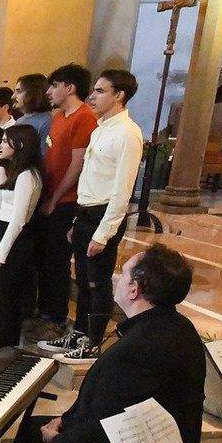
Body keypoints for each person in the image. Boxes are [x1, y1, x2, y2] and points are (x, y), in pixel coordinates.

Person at [0, 244, 206, 443]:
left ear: (135, 290)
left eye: (123, 274)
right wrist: (65, 420)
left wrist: (59, 440)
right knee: (28, 432)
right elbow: (110, 403)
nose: (118, 279)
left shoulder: (142, 346)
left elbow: (105, 427)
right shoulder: (174, 326)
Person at [59, 69, 143, 359]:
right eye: (93, 90)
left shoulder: (128, 134)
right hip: (85, 212)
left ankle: (93, 343)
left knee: (97, 281)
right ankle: (79, 334)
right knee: (82, 279)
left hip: (103, 216)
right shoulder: (100, 128)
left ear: (119, 95)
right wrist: (76, 219)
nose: (92, 96)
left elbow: (122, 190)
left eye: (100, 91)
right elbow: (91, 178)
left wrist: (104, 233)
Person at [36, 63, 97, 346]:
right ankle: (45, 311)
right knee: (45, 258)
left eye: (54, 85)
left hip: (66, 201)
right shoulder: (59, 115)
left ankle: (56, 318)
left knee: (57, 260)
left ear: (70, 88)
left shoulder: (84, 117)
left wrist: (56, 196)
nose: (49, 91)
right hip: (49, 196)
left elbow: (77, 163)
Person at [0, 125, 45, 350]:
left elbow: (18, 219)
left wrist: (2, 251)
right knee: (0, 298)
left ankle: (0, 349)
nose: (0, 145)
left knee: (5, 300)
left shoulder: (27, 176)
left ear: (18, 145)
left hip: (16, 244)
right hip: (9, 239)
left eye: (5, 141)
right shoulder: (18, 173)